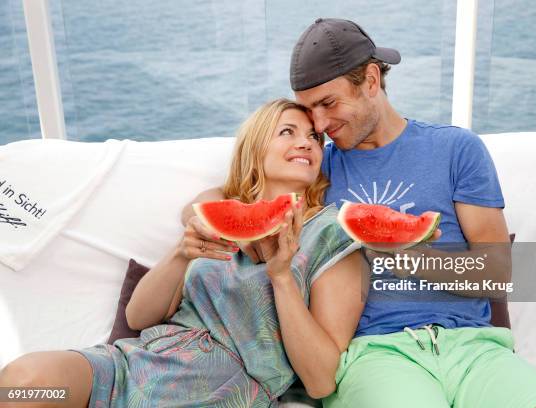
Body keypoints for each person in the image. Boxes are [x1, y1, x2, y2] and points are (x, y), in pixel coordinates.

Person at [183, 18, 536, 408]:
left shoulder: (457, 149)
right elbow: (237, 191)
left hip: (472, 346)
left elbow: (497, 275)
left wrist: (401, 254)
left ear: (371, 81)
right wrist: (197, 215)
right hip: (373, 353)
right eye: (309, 110)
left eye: (328, 104)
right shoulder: (318, 165)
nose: (319, 124)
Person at [0, 98, 366, 407]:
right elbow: (140, 316)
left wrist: (281, 276)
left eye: (315, 138)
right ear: (255, 144)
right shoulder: (213, 215)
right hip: (133, 368)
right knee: (24, 382)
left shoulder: (331, 233)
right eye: (288, 131)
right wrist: (180, 253)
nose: (306, 143)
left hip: (220, 392)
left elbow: (320, 382)